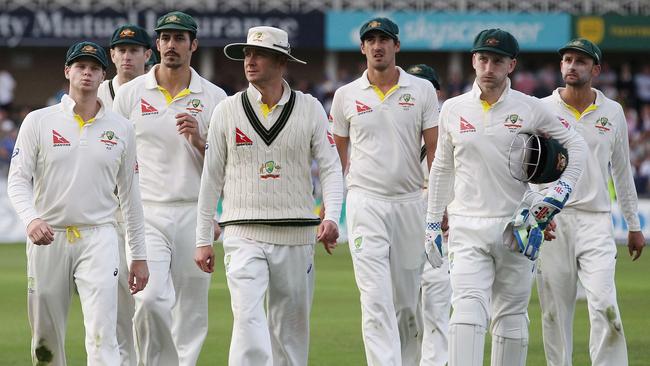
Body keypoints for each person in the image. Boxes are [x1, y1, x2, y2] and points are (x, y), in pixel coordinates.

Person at [425, 29, 587, 366]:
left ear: (511, 65)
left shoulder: (530, 108)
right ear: (473, 61)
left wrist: (558, 192)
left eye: (497, 61)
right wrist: (431, 222)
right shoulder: (453, 109)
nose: (488, 67)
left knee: (512, 317)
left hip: (519, 224)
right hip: (467, 225)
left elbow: (577, 144)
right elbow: (441, 168)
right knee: (467, 311)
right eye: (482, 59)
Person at [194, 25, 344, 366]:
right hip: (242, 233)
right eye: (247, 53)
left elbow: (332, 169)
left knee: (290, 336)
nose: (250, 60)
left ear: (281, 62)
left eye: (259, 54)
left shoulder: (310, 109)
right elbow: (210, 178)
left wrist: (332, 215)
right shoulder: (226, 111)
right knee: (248, 321)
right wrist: (203, 238)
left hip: (297, 236)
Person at [7, 41, 148, 365]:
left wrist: (138, 256)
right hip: (48, 238)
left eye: (94, 68)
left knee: (103, 335)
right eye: (80, 66)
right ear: (67, 71)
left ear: (103, 75)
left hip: (99, 237)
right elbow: (17, 180)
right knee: (46, 342)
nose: (87, 73)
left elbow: (130, 195)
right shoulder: (38, 121)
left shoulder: (122, 128)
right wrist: (30, 219)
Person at [112, 11, 227, 365]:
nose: (171, 45)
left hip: (196, 211)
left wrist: (199, 139)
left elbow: (227, 163)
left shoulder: (214, 97)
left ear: (193, 44)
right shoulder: (130, 94)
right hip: (146, 212)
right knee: (149, 300)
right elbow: (112, 153)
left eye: (179, 38)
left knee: (191, 313)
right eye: (164, 38)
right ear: (157, 44)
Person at [330, 17, 439, 366]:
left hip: (410, 203)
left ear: (397, 46)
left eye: (384, 39)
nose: (377, 45)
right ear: (362, 47)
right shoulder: (345, 95)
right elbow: (339, 157)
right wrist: (336, 205)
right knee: (375, 299)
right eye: (371, 40)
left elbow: (436, 153)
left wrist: (438, 205)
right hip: (366, 203)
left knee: (407, 303)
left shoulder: (421, 90)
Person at [535, 38, 645, 366]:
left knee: (604, 304)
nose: (571, 65)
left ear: (595, 70)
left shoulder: (612, 112)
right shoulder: (541, 108)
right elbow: (526, 167)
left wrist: (634, 227)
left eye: (580, 61)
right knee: (555, 314)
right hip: (554, 221)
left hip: (597, 221)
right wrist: (537, 212)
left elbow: (623, 174)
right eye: (567, 59)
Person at [96, 23, 152, 366]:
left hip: (152, 208)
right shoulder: (94, 93)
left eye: (134, 50)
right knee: (114, 301)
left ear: (148, 54)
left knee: (152, 302)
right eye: (121, 50)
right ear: (112, 55)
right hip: (107, 211)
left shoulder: (158, 90)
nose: (127, 56)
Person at [406, 64, 452, 366]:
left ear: (437, 94)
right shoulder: (395, 131)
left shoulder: (452, 128)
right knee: (405, 311)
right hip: (404, 223)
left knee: (436, 308)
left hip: (441, 226)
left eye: (427, 87)